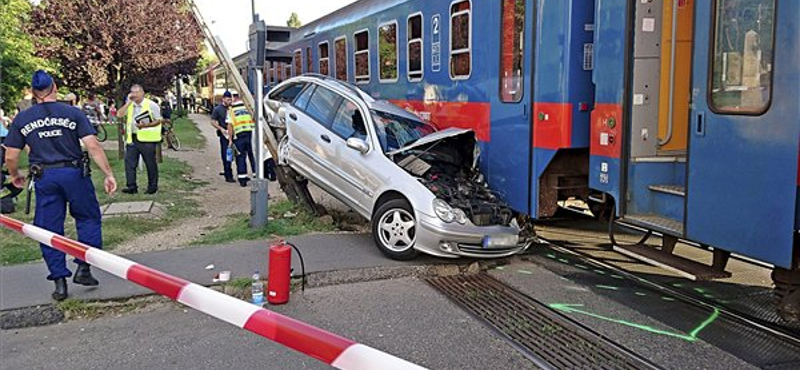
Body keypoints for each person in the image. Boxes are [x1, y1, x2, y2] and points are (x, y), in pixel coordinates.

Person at [3, 70, 117, 301]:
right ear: (54, 87)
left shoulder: (23, 119)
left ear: (34, 92)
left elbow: (11, 156)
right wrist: (108, 174)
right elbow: (93, 145)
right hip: (74, 174)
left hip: (44, 177)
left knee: (48, 229)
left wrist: (15, 175)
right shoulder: (72, 113)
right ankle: (84, 268)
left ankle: (59, 282)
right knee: (87, 218)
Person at [116, 84, 164, 195]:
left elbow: (159, 120)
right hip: (132, 138)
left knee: (150, 163)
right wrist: (127, 103)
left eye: (137, 92)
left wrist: (146, 126)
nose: (135, 95)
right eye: (132, 92)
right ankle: (131, 186)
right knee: (129, 163)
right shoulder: (130, 105)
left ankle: (152, 187)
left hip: (147, 139)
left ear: (142, 93)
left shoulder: (151, 105)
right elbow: (119, 115)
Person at [227, 95, 256, 187]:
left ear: (234, 98)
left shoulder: (231, 109)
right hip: (252, 134)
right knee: (253, 156)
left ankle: (242, 179)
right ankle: (257, 176)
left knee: (240, 157)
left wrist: (230, 139)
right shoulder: (249, 106)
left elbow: (230, 125)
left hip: (239, 135)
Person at [210, 91, 234, 183]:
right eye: (228, 100)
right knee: (226, 155)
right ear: (223, 99)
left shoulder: (232, 108)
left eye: (230, 99)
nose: (230, 101)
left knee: (235, 155)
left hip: (234, 133)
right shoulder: (218, 109)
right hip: (224, 134)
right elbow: (213, 121)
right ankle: (228, 174)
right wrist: (221, 129)